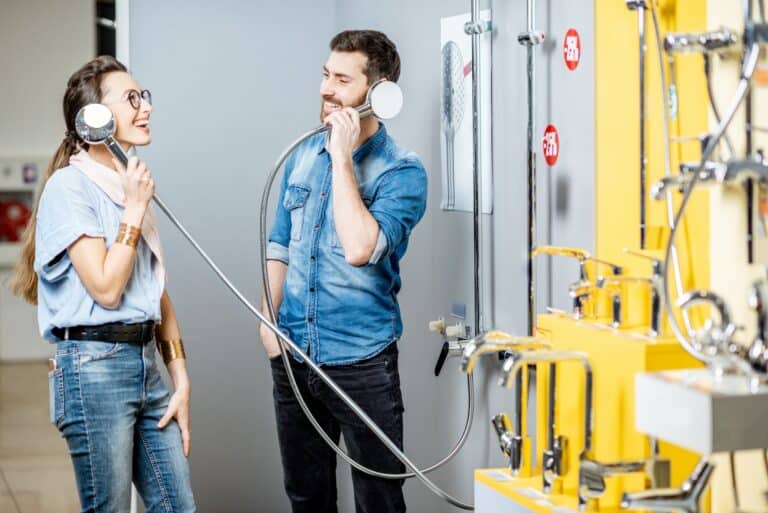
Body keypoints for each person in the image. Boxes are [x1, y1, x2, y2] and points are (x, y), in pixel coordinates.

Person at [10, 55, 196, 513]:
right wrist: (133, 209)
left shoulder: (127, 185)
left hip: (146, 364)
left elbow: (155, 291)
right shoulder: (69, 188)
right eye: (131, 99)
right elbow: (107, 289)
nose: (145, 107)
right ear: (94, 118)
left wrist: (180, 377)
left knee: (178, 508)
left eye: (144, 96)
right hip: (94, 368)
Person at [261, 30, 428, 513]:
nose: (325, 89)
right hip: (293, 354)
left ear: (379, 93)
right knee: (306, 495)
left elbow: (360, 247)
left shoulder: (401, 172)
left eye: (341, 79)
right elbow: (278, 245)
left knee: (378, 498)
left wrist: (341, 159)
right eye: (324, 75)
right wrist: (268, 321)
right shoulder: (300, 156)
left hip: (361, 363)